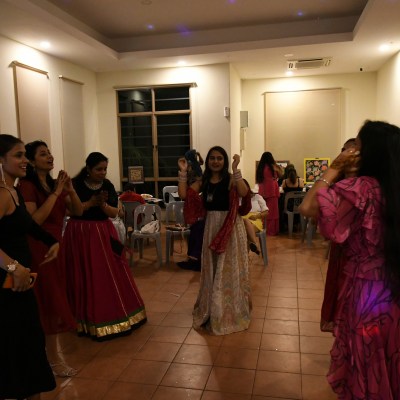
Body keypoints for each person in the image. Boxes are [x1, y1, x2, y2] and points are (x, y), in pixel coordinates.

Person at [299, 121, 400, 398]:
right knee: (388, 358)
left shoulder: (362, 188)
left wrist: (335, 166)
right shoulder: (392, 188)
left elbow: (307, 207)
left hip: (366, 294)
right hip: (392, 288)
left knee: (367, 362)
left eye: (358, 146)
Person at [60, 152, 147, 340]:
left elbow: (114, 213)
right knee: (82, 272)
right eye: (98, 169)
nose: (102, 172)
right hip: (80, 232)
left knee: (107, 272)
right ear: (88, 169)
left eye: (105, 169)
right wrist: (91, 202)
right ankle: (82, 317)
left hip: (102, 232)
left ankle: (110, 313)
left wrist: (101, 205)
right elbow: (69, 210)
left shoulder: (107, 185)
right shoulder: (75, 184)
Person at [0, 134, 59, 400]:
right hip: (7, 284)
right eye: (18, 155)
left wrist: (51, 241)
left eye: (25, 155)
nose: (25, 160)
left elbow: (28, 225)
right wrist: (15, 268)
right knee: (16, 345)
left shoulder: (14, 190)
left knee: (29, 342)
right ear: (1, 160)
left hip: (20, 282)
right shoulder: (1, 194)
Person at [18, 140, 83, 378]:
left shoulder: (55, 184)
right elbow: (34, 221)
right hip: (39, 247)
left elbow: (77, 211)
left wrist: (70, 189)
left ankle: (50, 357)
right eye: (43, 154)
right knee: (48, 301)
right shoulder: (27, 185)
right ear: (32, 161)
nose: (50, 157)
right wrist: (56, 193)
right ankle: (53, 360)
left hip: (57, 246)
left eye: (50, 153)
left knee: (54, 299)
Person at [192, 146, 251, 335]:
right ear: (208, 161)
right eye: (212, 158)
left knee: (228, 267)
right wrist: (183, 173)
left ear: (224, 161)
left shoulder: (230, 179)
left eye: (219, 158)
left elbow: (244, 192)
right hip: (211, 226)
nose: (215, 161)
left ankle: (228, 310)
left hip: (230, 226)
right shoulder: (204, 181)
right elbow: (186, 195)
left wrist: (236, 169)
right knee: (213, 267)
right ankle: (212, 308)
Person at [319, 138, 356, 332]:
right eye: (345, 151)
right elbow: (309, 208)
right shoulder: (338, 186)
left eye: (354, 152)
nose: (349, 156)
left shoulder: (369, 187)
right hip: (342, 249)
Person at [176, 149, 206, 270]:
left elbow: (185, 194)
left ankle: (195, 259)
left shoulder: (195, 172)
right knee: (196, 227)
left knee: (198, 227)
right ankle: (193, 258)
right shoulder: (196, 167)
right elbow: (183, 195)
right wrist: (183, 170)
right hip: (195, 209)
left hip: (200, 210)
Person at [256, 151, 283, 235]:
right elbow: (281, 175)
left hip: (262, 190)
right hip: (272, 190)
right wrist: (278, 167)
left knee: (263, 210)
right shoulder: (272, 167)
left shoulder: (260, 167)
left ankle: (263, 228)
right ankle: (272, 230)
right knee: (273, 212)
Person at [241, 179, 269, 255]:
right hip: (242, 221)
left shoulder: (257, 197)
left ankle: (245, 257)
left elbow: (266, 212)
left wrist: (256, 216)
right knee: (244, 224)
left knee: (244, 229)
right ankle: (254, 244)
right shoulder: (237, 199)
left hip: (255, 220)